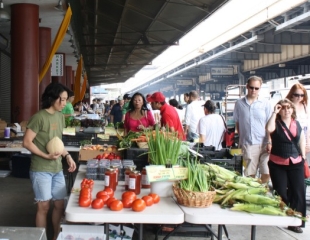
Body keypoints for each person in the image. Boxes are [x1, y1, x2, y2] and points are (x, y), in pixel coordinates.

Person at [22, 82, 76, 240]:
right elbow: (26, 142)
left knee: (59, 205)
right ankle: (42, 238)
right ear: (53, 98)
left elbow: (58, 142)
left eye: (66, 99)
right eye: (63, 99)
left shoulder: (60, 117)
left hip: (57, 168)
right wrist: (45, 156)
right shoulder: (38, 117)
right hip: (41, 169)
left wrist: (67, 156)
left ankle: (56, 237)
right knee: (43, 206)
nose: (65, 103)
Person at [266, 99, 306, 233]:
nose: (286, 110)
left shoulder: (297, 124)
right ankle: (285, 214)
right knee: (281, 192)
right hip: (277, 163)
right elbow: (269, 129)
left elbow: (301, 139)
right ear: (279, 110)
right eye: (283, 108)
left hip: (295, 161)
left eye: (289, 107)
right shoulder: (275, 123)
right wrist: (273, 112)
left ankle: (297, 221)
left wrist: (304, 158)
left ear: (292, 109)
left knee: (298, 191)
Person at [233, 75, 272, 183]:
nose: (253, 90)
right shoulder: (239, 104)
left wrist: (269, 141)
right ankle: (254, 194)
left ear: (260, 88)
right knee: (250, 175)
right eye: (251, 87)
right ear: (247, 86)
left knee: (267, 172)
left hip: (264, 143)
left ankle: (262, 190)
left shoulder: (265, 104)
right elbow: (237, 122)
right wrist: (241, 140)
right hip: (248, 144)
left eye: (256, 88)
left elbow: (270, 124)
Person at [286, 83, 310, 164]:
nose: (299, 97)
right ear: (291, 94)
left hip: (305, 134)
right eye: (296, 95)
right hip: (293, 138)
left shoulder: (304, 105)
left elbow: (308, 125)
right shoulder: (287, 107)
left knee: (306, 164)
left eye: (302, 95)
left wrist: (308, 142)